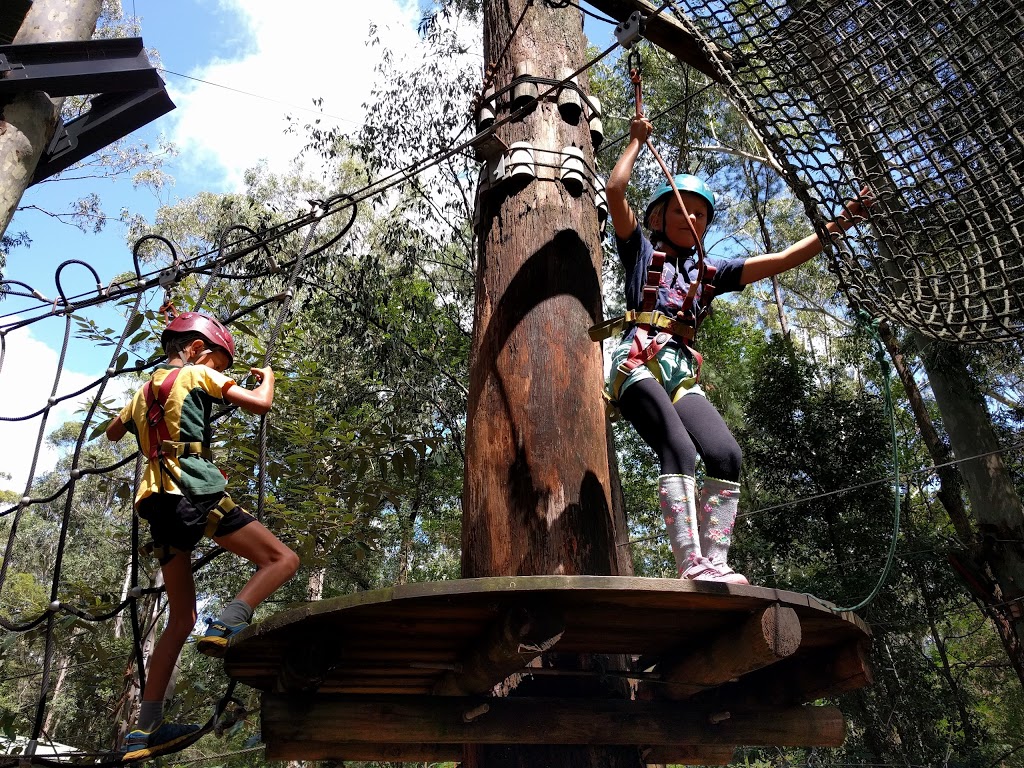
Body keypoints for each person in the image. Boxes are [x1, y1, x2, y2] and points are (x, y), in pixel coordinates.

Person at [601, 115, 871, 584]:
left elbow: (783, 260)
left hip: (680, 370)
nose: (692, 217)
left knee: (726, 455)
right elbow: (616, 193)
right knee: (679, 449)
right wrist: (634, 143)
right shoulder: (642, 251)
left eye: (701, 213)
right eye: (682, 207)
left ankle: (717, 560)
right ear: (659, 216)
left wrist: (840, 224)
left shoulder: (713, 271)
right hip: (637, 361)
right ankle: (690, 561)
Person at [106, 312, 299, 760]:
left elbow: (115, 432)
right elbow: (261, 403)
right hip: (192, 490)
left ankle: (144, 730)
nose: (218, 375)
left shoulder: (143, 389)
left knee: (179, 618)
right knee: (282, 561)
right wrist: (266, 378)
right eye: (218, 364)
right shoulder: (196, 373)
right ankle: (228, 621)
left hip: (155, 503)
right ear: (196, 350)